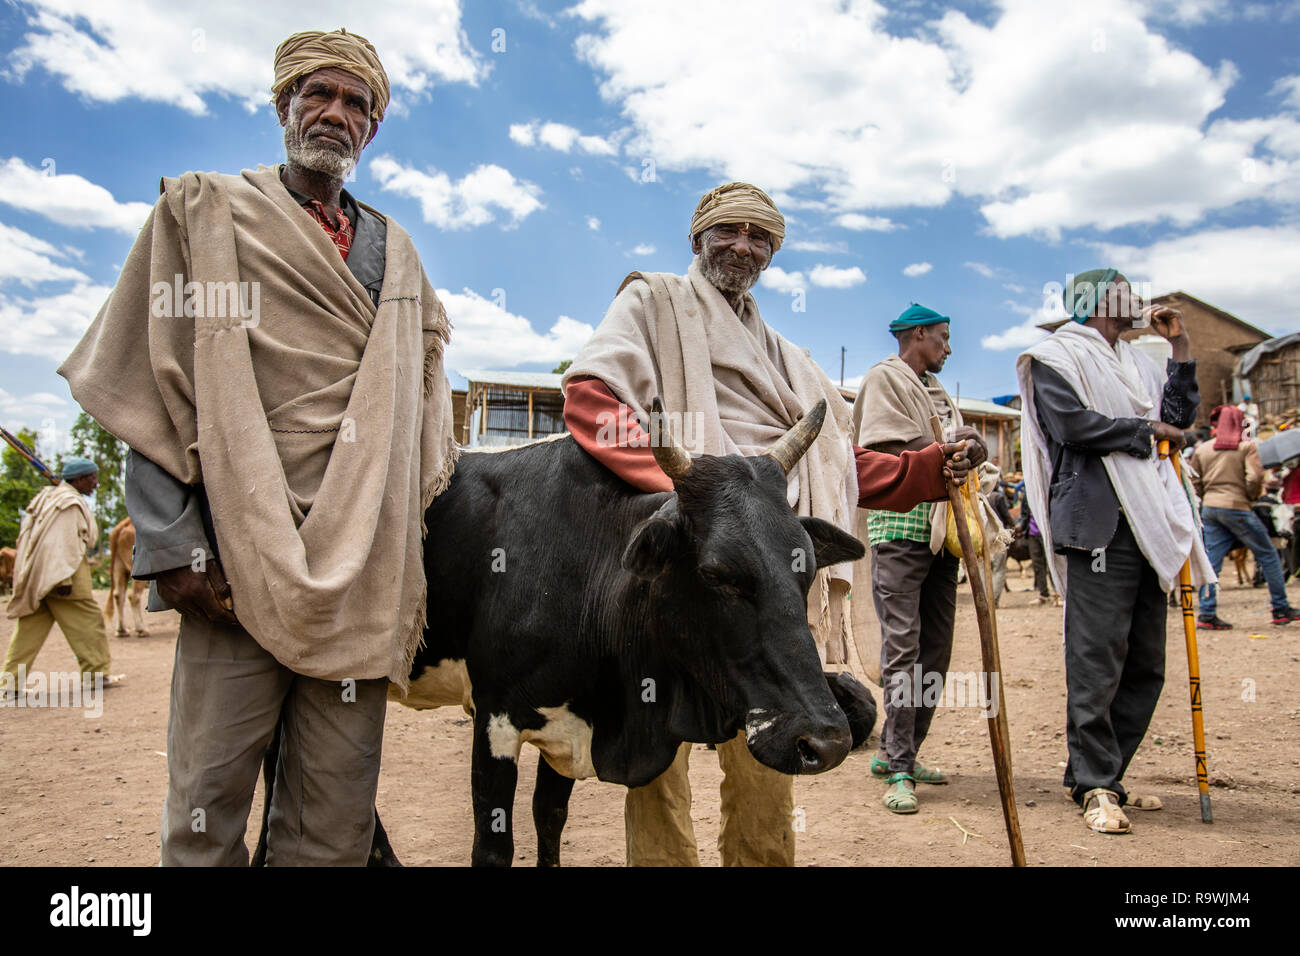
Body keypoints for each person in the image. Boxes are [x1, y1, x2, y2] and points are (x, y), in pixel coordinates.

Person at [58, 28, 457, 865]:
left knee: (334, 823)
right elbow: (152, 384)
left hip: (359, 577)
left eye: (358, 104)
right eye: (320, 93)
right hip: (231, 563)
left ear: (373, 130)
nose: (337, 114)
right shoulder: (204, 214)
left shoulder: (399, 253)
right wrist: (172, 543)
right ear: (284, 104)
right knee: (206, 807)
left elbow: (418, 426)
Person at [561, 182, 971, 866]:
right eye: (729, 231)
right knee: (658, 760)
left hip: (767, 579)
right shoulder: (652, 301)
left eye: (760, 236)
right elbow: (592, 398)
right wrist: (698, 495)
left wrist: (930, 468)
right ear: (698, 239)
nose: (744, 246)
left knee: (772, 750)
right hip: (679, 568)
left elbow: (835, 461)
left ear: (773, 252)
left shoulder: (786, 356)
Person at [1017, 268, 1213, 836]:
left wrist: (1180, 348)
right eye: (1128, 290)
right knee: (1096, 658)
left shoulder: (1141, 363)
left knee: (1146, 663)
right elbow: (1073, 425)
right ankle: (1096, 784)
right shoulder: (1054, 356)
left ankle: (1106, 775)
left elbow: (1176, 420)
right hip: (1097, 525)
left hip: (1151, 523)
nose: (1141, 298)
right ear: (1099, 300)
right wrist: (1146, 431)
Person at [852, 303, 989, 814]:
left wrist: (970, 447)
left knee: (936, 650)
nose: (949, 348)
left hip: (941, 532)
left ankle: (897, 750)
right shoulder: (885, 380)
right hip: (901, 529)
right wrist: (958, 444)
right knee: (903, 650)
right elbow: (887, 447)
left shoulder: (934, 393)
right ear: (916, 335)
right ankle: (901, 767)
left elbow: (949, 454)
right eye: (943, 338)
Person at [2, 459, 119, 694]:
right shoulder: (68, 503)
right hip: (65, 574)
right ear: (78, 480)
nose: (95, 483)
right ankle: (95, 675)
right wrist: (63, 580)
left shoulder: (50, 497)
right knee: (89, 622)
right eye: (92, 478)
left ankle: (9, 684)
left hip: (40, 574)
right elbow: (59, 544)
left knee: (29, 630)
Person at [1191, 406, 1298, 628]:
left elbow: (1194, 482)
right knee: (1268, 554)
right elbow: (1254, 478)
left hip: (1210, 509)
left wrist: (1207, 498)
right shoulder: (1245, 448)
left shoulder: (1203, 450)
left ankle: (1207, 614)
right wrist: (1249, 498)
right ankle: (1280, 608)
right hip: (1237, 506)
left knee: (1212, 562)